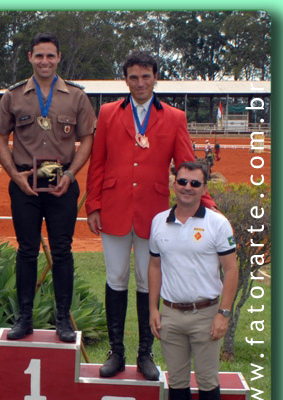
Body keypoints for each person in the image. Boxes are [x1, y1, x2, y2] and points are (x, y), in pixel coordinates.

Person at [85, 50, 216, 380]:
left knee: (147, 281)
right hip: (114, 209)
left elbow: (187, 162)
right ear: (125, 79)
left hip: (154, 213)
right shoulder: (108, 112)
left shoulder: (174, 117)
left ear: (155, 77)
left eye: (146, 76)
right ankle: (116, 352)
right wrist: (93, 205)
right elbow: (97, 162)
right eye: (133, 77)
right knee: (115, 278)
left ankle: (145, 353)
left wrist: (207, 203)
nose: (140, 82)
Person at [0, 33, 95, 343]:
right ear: (29, 58)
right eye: (39, 56)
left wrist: (72, 174)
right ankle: (24, 319)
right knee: (26, 252)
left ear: (59, 58)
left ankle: (62, 320)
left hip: (62, 183)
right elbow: (0, 136)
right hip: (25, 182)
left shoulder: (76, 97)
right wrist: (14, 175)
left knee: (62, 252)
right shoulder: (13, 97)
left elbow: (87, 137)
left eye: (50, 56)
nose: (45, 61)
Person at [148, 161, 238, 400]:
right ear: (174, 183)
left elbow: (231, 270)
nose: (187, 187)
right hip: (171, 314)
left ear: (204, 188)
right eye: (182, 181)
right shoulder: (159, 222)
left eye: (194, 183)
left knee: (208, 380)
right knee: (176, 379)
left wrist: (223, 313)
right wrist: (152, 309)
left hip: (206, 313)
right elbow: (155, 266)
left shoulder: (217, 223)